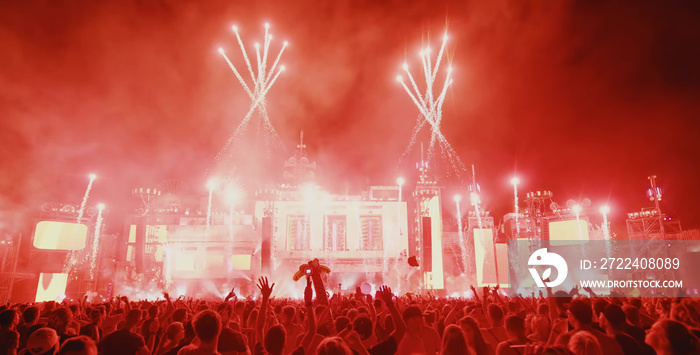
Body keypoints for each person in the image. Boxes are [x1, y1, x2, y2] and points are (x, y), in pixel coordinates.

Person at [554, 300, 623, 355]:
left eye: (567, 313)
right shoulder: (609, 341)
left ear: (572, 316)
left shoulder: (564, 340)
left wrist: (554, 331)